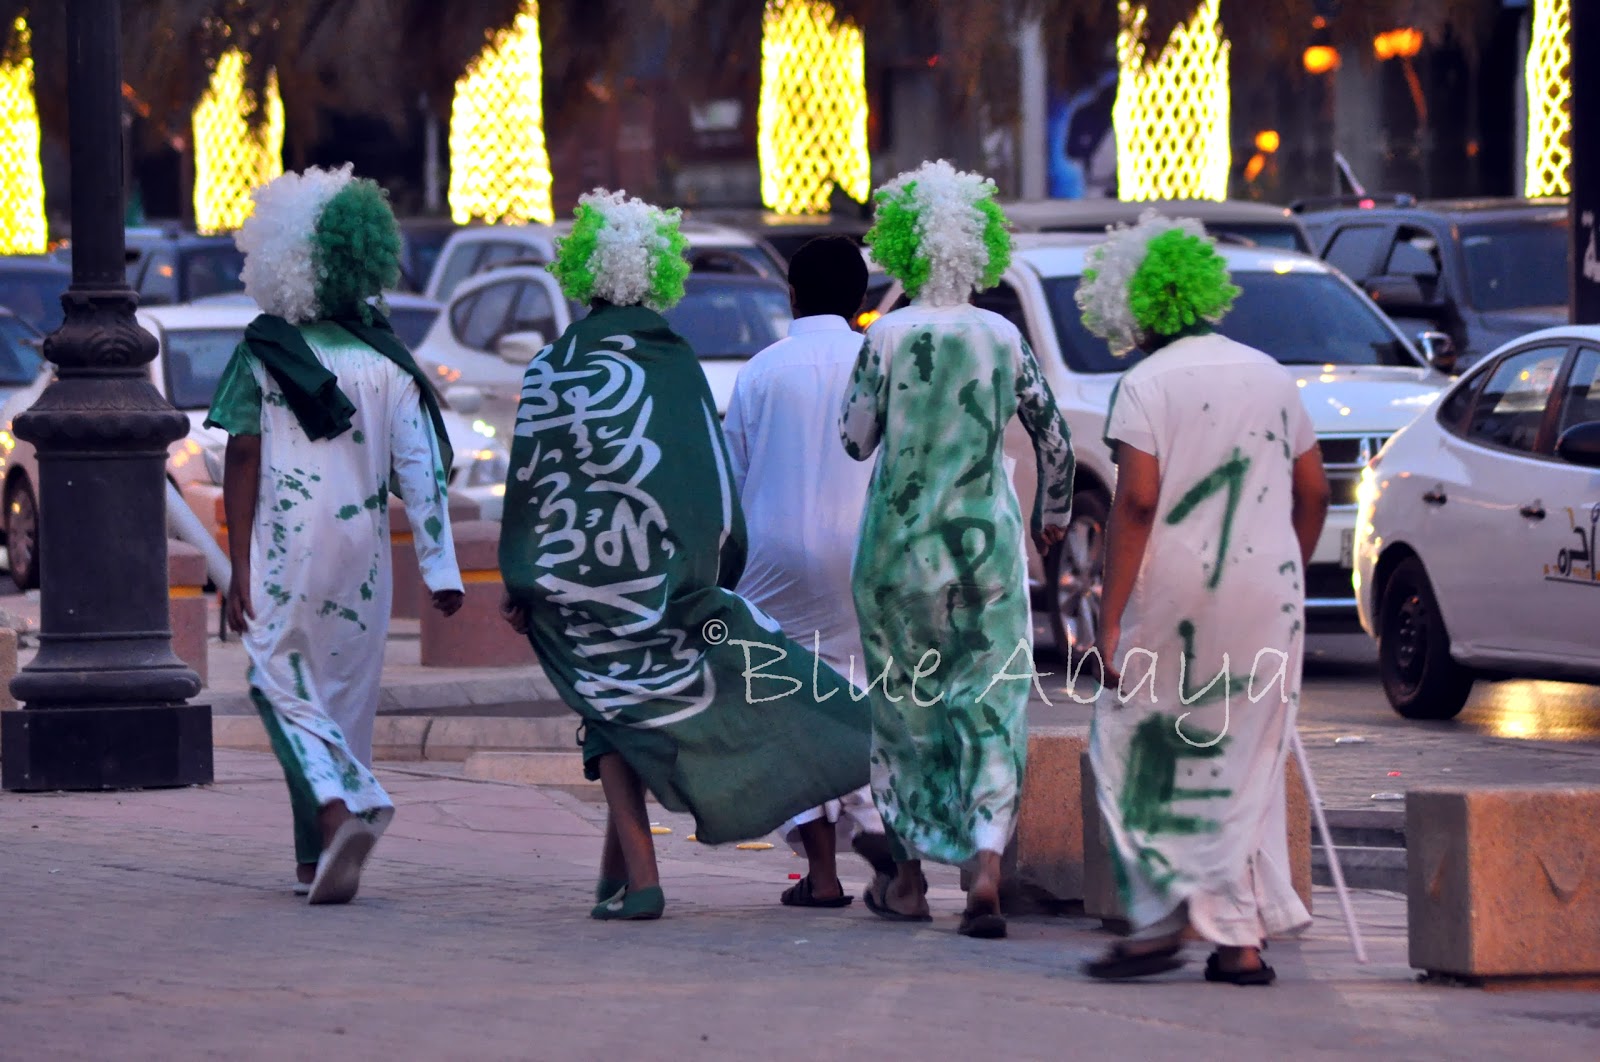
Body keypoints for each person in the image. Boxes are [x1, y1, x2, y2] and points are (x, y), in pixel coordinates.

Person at [497, 190, 872, 922]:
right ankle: (857, 769)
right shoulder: (675, 364)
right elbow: (712, 479)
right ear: (657, 277)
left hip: (575, 571)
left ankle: (638, 879)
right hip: (663, 573)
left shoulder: (548, 368)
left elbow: (529, 481)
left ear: (582, 276)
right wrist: (719, 570)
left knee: (607, 707)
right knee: (633, 705)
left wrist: (521, 580)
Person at [1075, 213, 1330, 984]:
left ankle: (1158, 922)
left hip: (1178, 595)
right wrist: (1290, 566)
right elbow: (1313, 489)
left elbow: (1139, 502)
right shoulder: (1268, 372)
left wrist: (1109, 614)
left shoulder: (1146, 383)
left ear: (1134, 306)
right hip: (1268, 593)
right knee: (1245, 762)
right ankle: (1238, 941)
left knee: (1125, 749)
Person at [207, 164, 465, 905]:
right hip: (366, 560)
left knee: (276, 681)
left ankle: (341, 806)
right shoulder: (389, 360)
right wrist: (442, 570)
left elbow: (245, 453)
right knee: (344, 696)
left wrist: (240, 566)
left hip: (290, 544)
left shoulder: (266, 348)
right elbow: (422, 471)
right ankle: (316, 857)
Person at [840, 160, 1076, 939]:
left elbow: (853, 439)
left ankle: (907, 879)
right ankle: (985, 863)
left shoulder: (889, 337)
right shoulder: (1003, 335)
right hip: (985, 553)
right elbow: (1055, 439)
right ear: (981, 249)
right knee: (991, 702)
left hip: (898, 553)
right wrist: (1053, 513)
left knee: (904, 708)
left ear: (904, 247)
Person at [723, 236, 894, 908]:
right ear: (861, 300)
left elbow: (733, 481)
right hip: (870, 551)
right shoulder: (881, 363)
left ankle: (822, 876)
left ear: (790, 295)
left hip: (776, 559)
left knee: (792, 707)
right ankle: (884, 835)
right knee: (870, 698)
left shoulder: (761, 371)